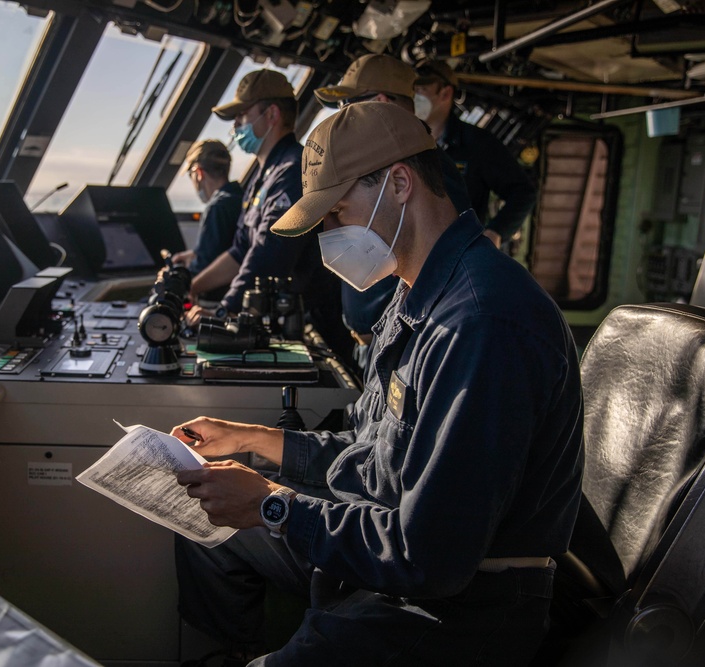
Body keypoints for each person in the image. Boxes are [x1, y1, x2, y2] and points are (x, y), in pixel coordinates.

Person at [171, 102, 583, 666]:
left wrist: (273, 504)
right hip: (384, 548)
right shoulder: (414, 294)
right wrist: (252, 440)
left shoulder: (482, 323)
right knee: (203, 528)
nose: (330, 237)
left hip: (459, 612)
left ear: (398, 184)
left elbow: (428, 557)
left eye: (338, 213)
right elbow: (376, 456)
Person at [313, 53, 473, 357]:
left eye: (347, 105)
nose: (341, 116)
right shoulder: (378, 163)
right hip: (384, 336)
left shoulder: (429, 168)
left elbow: (437, 259)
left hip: (411, 341)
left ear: (380, 102)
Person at [187, 69, 352, 361]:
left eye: (241, 115)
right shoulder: (261, 178)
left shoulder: (294, 172)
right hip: (284, 320)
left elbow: (269, 254)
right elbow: (240, 250)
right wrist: (194, 286)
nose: (236, 126)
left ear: (271, 114)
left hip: (314, 325)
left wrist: (224, 311)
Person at [414, 58, 538, 249]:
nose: (414, 97)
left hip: (457, 255)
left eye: (421, 90)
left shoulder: (476, 143)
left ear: (445, 93)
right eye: (412, 90)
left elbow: (523, 192)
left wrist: (496, 231)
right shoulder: (406, 141)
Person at [171, 139, 242, 302]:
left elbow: (204, 269)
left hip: (216, 301)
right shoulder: (241, 198)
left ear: (199, 172)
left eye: (191, 176)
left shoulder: (217, 207)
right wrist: (195, 255)